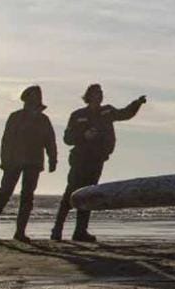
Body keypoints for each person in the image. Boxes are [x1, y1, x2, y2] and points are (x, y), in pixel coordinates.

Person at [51, 84, 146, 242]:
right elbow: (68, 138)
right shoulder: (78, 114)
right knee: (71, 192)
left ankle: (80, 231)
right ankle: (57, 229)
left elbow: (125, 114)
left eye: (101, 93)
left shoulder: (107, 111)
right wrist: (84, 135)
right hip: (80, 158)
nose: (99, 96)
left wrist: (137, 103)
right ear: (89, 96)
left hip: (97, 159)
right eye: (96, 93)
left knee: (88, 194)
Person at [0, 86, 58, 241]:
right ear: (26, 99)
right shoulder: (15, 117)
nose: (35, 100)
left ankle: (20, 232)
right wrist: (4, 161)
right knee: (4, 193)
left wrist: (53, 159)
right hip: (14, 162)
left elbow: (50, 140)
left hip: (34, 162)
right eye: (32, 97)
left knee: (27, 196)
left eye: (37, 97)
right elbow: (6, 141)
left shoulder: (44, 120)